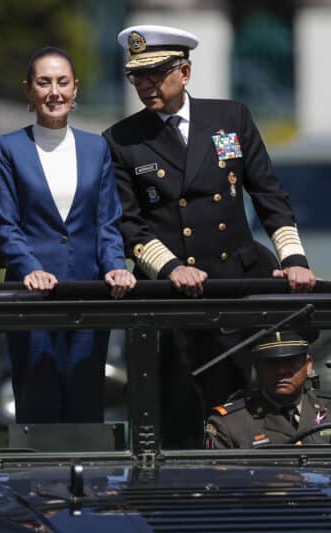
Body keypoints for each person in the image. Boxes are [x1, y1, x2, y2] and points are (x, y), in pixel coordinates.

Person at [102, 25, 316, 447]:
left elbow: (268, 193)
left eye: (156, 74)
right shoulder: (121, 139)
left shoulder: (230, 118)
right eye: (137, 77)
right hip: (170, 295)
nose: (145, 85)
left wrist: (293, 258)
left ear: (184, 72)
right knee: (176, 414)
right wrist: (170, 267)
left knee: (241, 407)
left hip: (233, 285)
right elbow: (128, 222)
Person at [0, 47, 135, 423]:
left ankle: (88, 483)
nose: (54, 92)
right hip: (32, 295)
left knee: (86, 405)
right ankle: (36, 483)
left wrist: (116, 267)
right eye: (44, 82)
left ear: (75, 89)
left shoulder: (96, 147)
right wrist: (29, 268)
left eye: (62, 82)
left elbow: (107, 222)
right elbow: (6, 223)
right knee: (37, 404)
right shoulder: (9, 148)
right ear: (28, 90)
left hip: (88, 292)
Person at [205, 330, 331, 449]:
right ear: (256, 368)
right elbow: (223, 481)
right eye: (271, 363)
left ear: (308, 365)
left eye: (291, 361)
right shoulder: (230, 423)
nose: (282, 371)